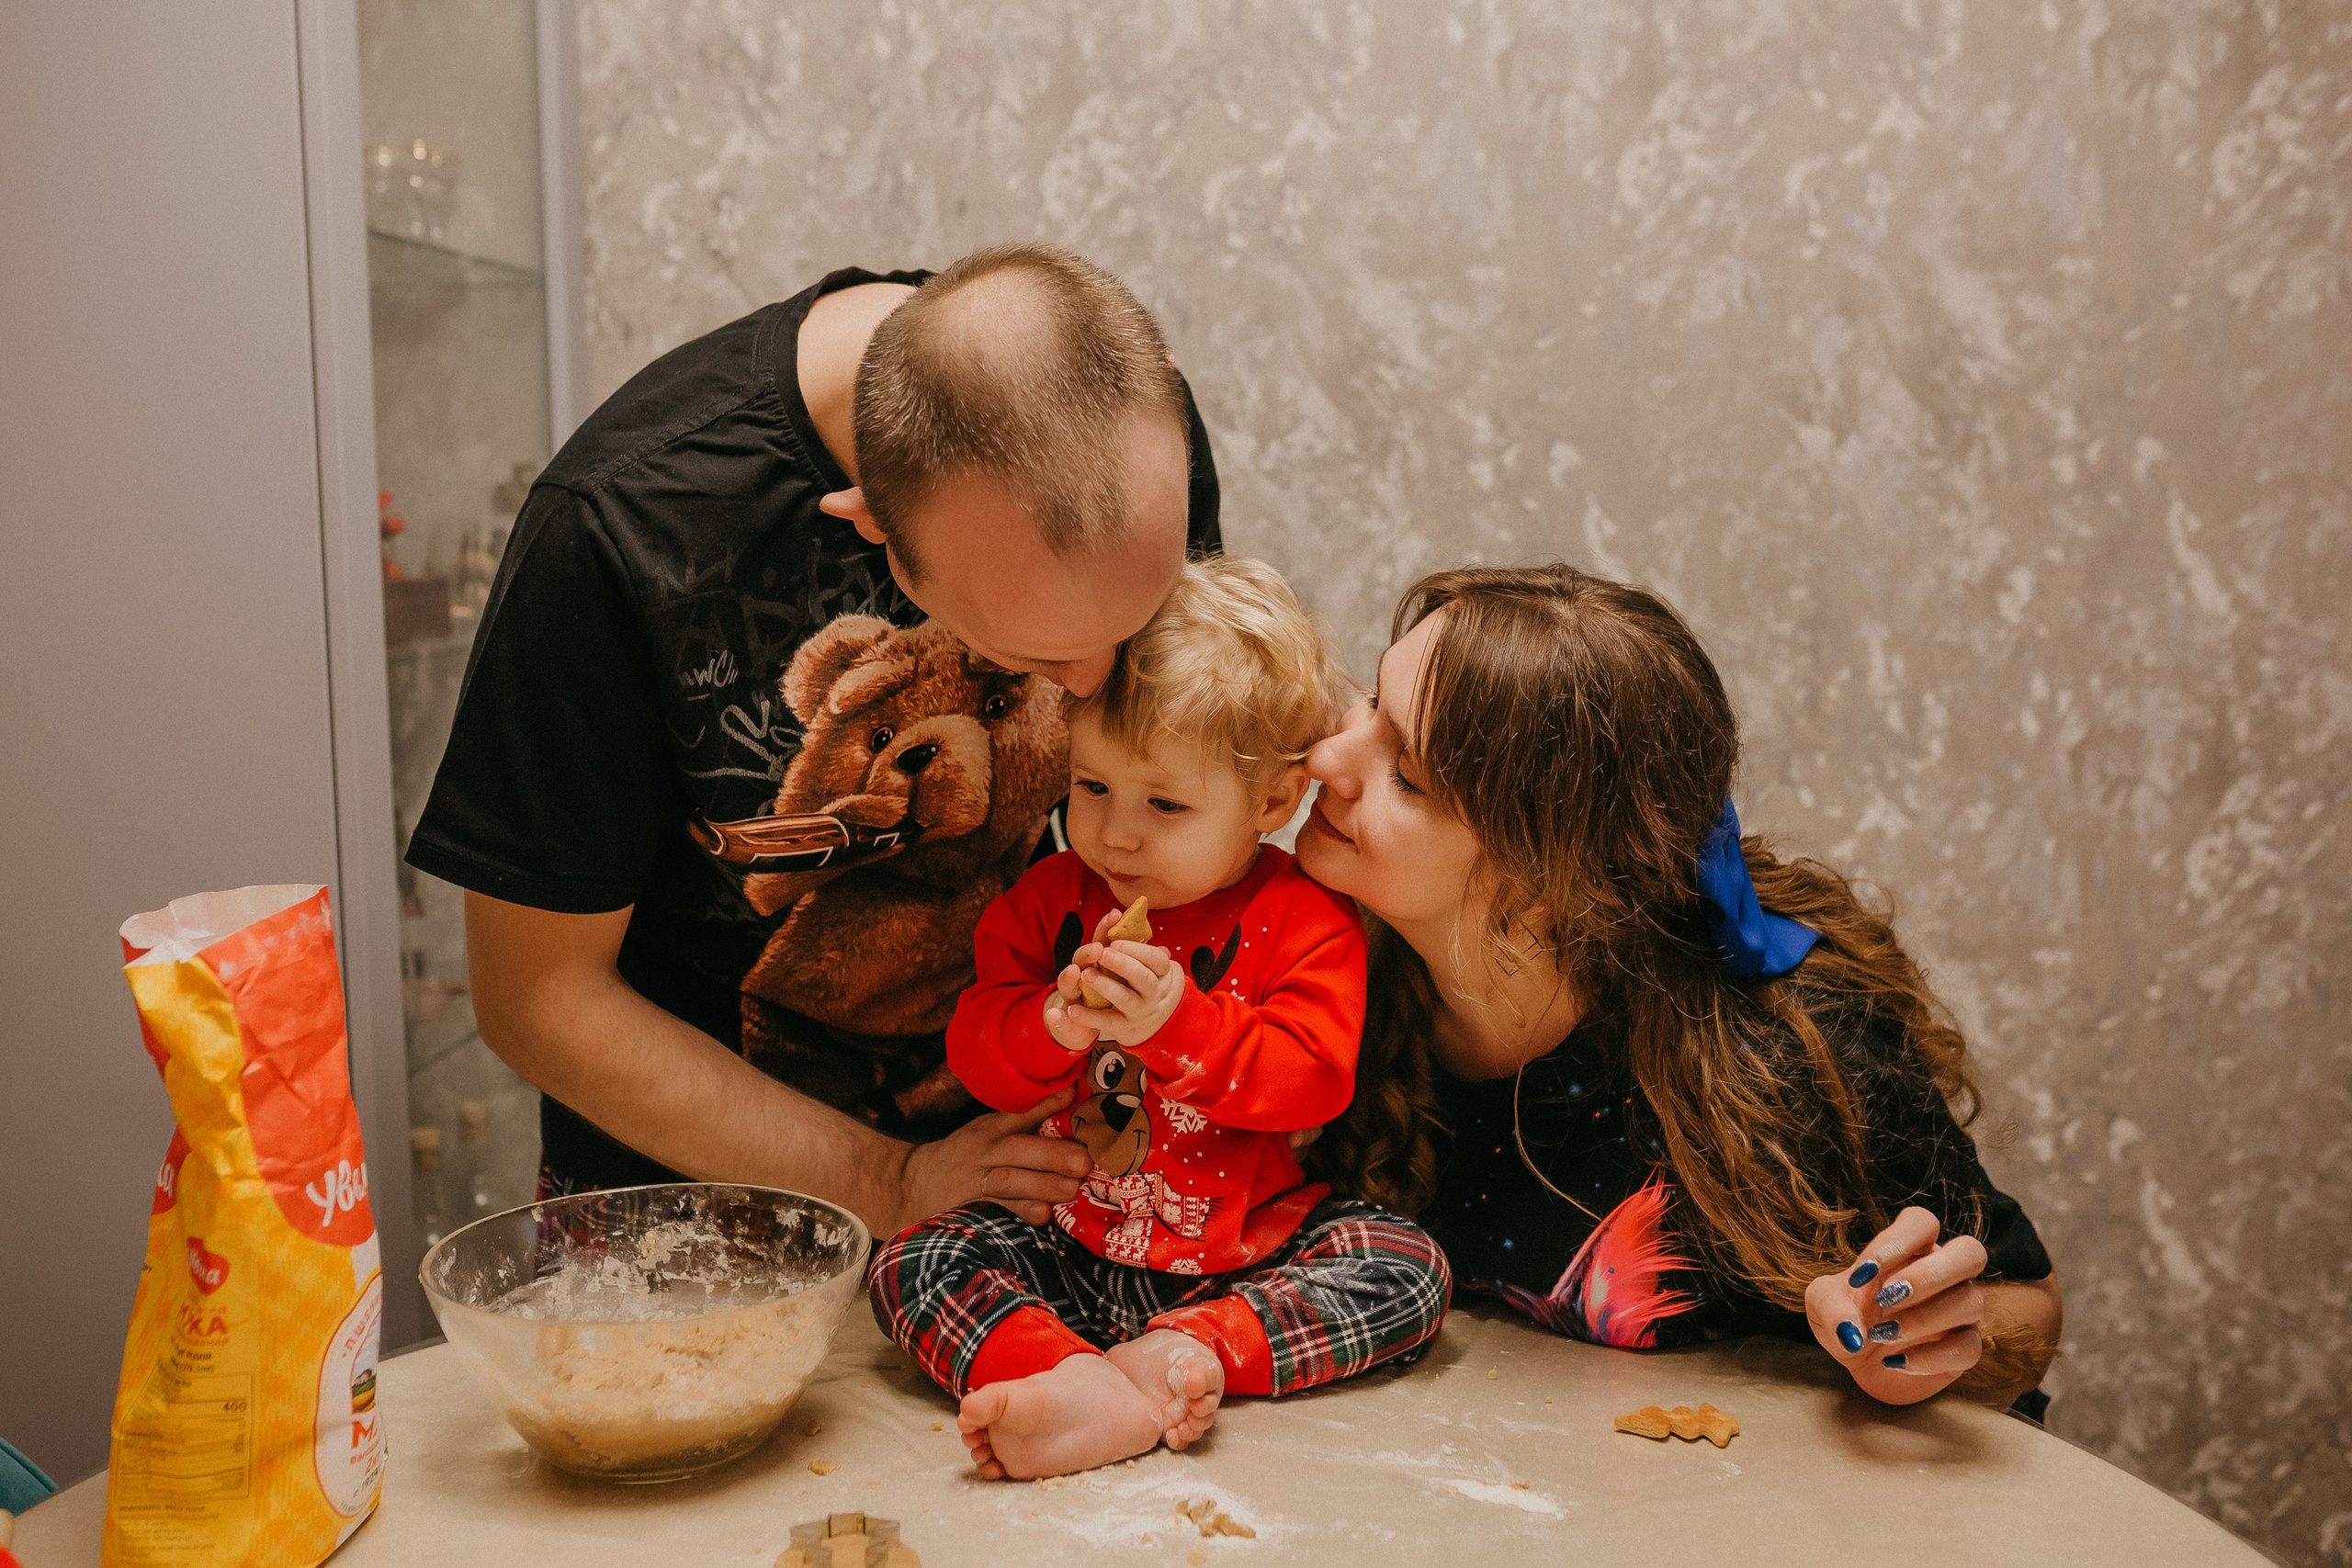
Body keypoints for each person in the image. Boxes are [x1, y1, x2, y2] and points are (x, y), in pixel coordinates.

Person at [405, 243, 1222, 1238]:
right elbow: (539, 998)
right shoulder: (617, 532)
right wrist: (889, 1185)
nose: (1099, 692)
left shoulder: (1125, 433)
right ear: (867, 525)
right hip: (689, 1215)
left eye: (1124, 634)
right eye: (1035, 659)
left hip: (1025, 1155)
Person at [1297, 564, 2064, 1411]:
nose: (1327, 754)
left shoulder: (1783, 1044)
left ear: (1549, 871)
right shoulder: (1315, 961)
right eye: (1370, 700)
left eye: (1408, 774)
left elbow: (2028, 1306)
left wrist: (1914, 1338)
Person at [869, 558, 1452, 1480]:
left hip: (1247, 1250)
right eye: (1092, 787)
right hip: (1067, 1237)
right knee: (913, 1260)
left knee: (1403, 1266)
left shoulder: (1306, 918)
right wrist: (1050, 1027)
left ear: (1270, 800)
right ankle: (1062, 1379)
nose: (1116, 834)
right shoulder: (1047, 902)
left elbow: (1313, 1082)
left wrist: (1176, 1026)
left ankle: (1185, 1354)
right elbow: (979, 1059)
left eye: (1165, 804)